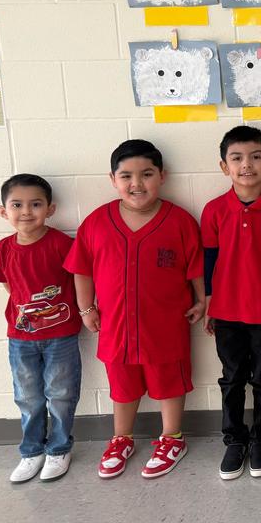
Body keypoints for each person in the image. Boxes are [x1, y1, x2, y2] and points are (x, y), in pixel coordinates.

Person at [65, 140, 204, 479]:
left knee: (169, 385)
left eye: (146, 174)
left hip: (166, 326)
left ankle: (172, 438)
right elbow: (81, 270)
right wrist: (86, 309)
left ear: (162, 176)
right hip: (116, 327)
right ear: (113, 179)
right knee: (123, 387)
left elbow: (195, 269)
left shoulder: (180, 221)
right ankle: (121, 438)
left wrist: (202, 300)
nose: (136, 184)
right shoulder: (97, 222)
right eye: (126, 175)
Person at [201, 126, 261, 479]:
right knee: (232, 378)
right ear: (224, 166)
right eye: (237, 158)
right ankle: (234, 440)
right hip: (226, 313)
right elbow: (208, 262)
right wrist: (209, 304)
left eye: (256, 157)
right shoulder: (213, 211)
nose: (247, 165)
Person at [0, 174, 82, 483]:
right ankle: (31, 452)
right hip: (20, 339)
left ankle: (58, 448)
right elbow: (8, 287)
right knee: (27, 397)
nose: (26, 211)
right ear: (4, 211)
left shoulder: (61, 244)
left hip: (61, 336)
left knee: (61, 394)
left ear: (50, 209)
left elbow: (79, 278)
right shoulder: (2, 250)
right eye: (17, 205)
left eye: (35, 204)